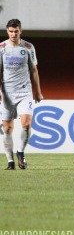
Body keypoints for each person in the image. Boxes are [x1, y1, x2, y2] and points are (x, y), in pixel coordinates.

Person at [1, 19, 43, 170]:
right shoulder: (1, 48)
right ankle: (10, 162)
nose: (13, 34)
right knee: (7, 129)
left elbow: (34, 70)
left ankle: (20, 152)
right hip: (7, 94)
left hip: (25, 92)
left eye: (16, 31)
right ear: (7, 31)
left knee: (26, 124)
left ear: (20, 31)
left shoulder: (28, 47)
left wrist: (37, 91)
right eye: (11, 31)